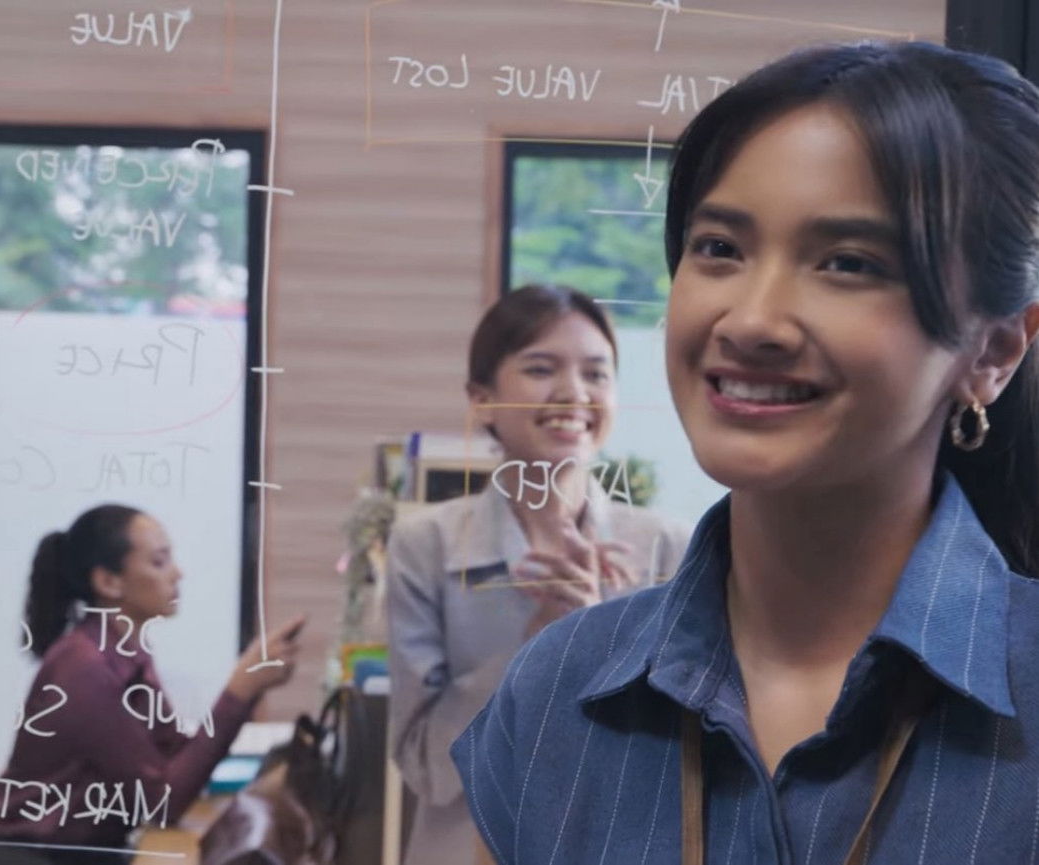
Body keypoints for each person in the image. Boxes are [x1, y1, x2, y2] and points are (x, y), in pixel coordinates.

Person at [455, 40, 1039, 864]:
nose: (752, 320)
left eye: (847, 263)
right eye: (719, 248)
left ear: (993, 351)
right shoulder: (554, 694)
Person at [387, 285, 692, 865]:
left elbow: (684, 761)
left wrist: (605, 643)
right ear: (482, 400)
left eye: (596, 374)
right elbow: (424, 766)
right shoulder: (424, 546)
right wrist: (535, 651)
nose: (574, 393)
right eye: (540, 369)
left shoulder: (666, 548)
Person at [0, 504, 304, 865]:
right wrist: (241, 689)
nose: (177, 573)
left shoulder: (126, 652)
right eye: (159, 562)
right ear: (108, 582)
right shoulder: (85, 668)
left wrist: (249, 687)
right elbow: (162, 803)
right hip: (32, 856)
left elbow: (175, 756)